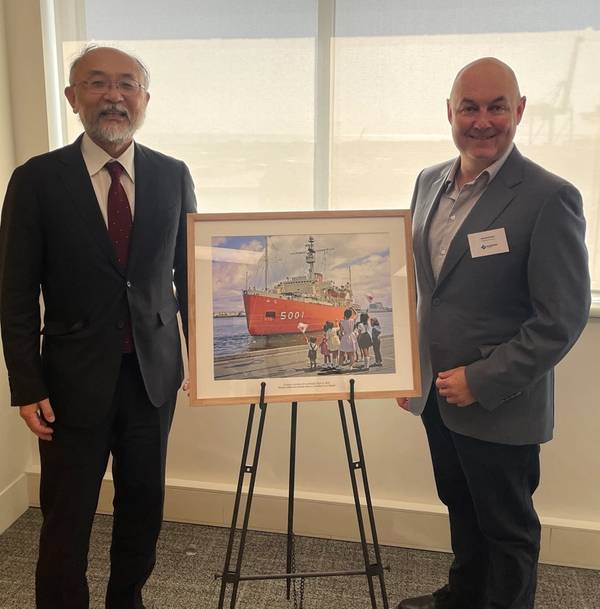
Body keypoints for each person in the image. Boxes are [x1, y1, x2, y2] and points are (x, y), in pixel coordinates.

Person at [0, 45, 197, 609]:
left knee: (144, 507)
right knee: (67, 516)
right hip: (68, 384)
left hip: (152, 379)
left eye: (127, 85)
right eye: (97, 84)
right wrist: (27, 384)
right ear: (72, 97)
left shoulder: (172, 175)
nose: (114, 96)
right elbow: (15, 293)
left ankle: (126, 600)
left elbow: (189, 278)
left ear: (144, 100)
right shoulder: (36, 180)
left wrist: (208, 361)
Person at [396, 57, 590, 609]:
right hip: (436, 394)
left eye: (497, 107)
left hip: (499, 399)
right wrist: (409, 367)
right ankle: (464, 596)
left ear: (520, 110)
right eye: (470, 108)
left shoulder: (549, 198)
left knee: (508, 529)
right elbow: (426, 291)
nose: (483, 121)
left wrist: (482, 379)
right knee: (460, 504)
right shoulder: (427, 181)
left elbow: (562, 317)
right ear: (449, 113)